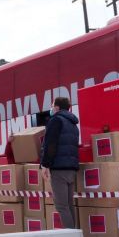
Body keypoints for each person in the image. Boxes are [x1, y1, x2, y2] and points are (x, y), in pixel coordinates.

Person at [39, 96, 80, 229]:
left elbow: (50, 145)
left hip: (59, 168)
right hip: (71, 168)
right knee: (69, 205)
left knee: (62, 206)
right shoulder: (73, 124)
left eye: (52, 105)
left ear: (57, 107)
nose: (51, 108)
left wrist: (45, 165)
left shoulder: (56, 120)